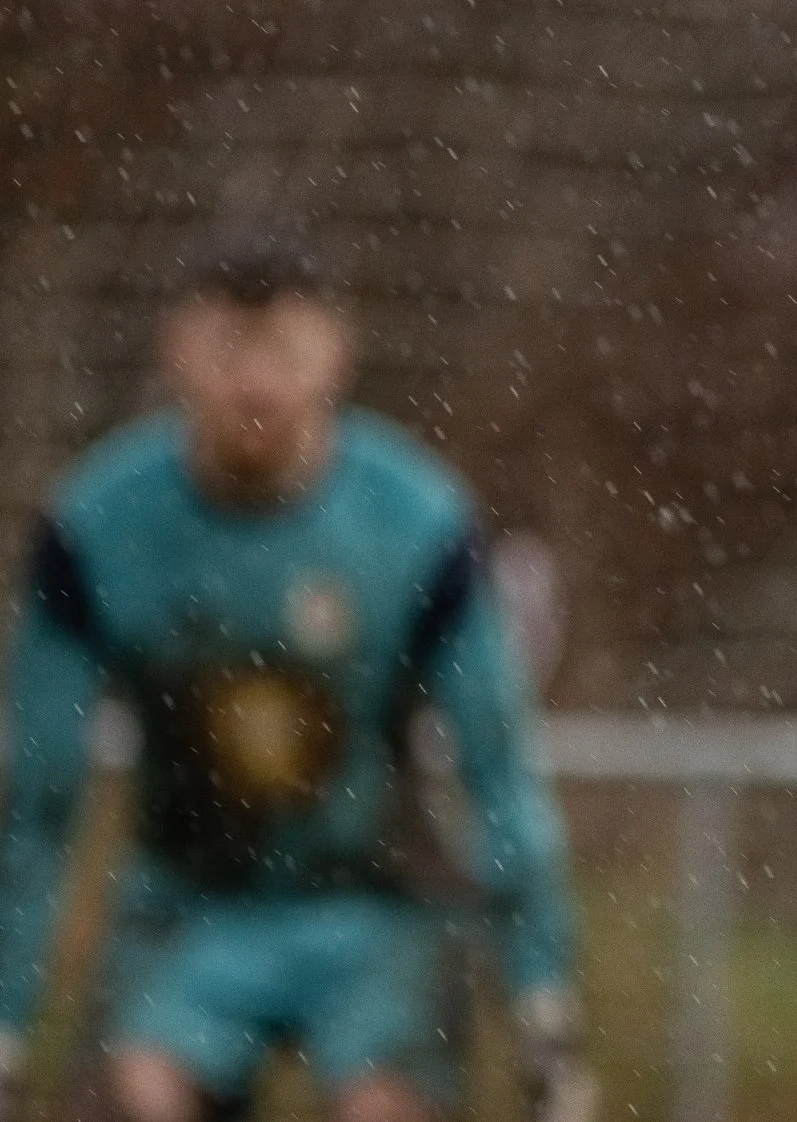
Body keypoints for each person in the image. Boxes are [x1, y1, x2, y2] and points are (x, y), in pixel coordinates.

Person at [0, 235, 591, 1122]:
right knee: (133, 1099)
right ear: (176, 352)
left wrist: (543, 998)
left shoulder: (419, 525)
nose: (255, 384)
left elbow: (499, 772)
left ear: (336, 354)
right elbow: (37, 799)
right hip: (184, 909)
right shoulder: (96, 528)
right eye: (228, 350)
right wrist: (6, 1016)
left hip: (378, 904)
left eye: (281, 350)